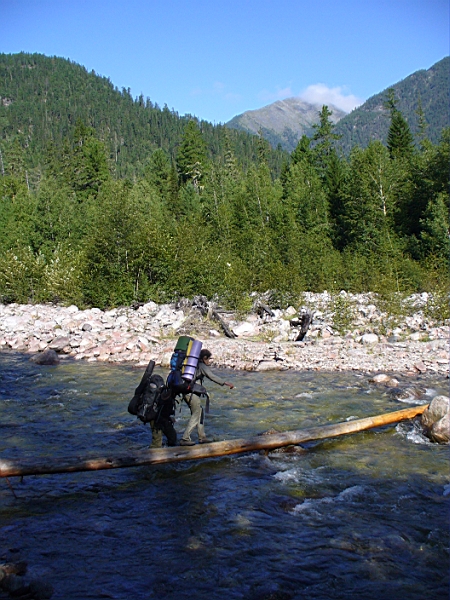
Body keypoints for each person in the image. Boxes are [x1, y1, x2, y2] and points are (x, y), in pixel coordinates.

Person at [179, 349, 234, 446]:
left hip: (187, 393)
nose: (209, 361)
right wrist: (225, 383)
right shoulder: (201, 365)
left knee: (200, 413)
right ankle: (185, 438)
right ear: (204, 358)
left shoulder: (194, 365)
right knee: (196, 414)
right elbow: (212, 376)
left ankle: (202, 437)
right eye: (208, 359)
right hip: (192, 394)